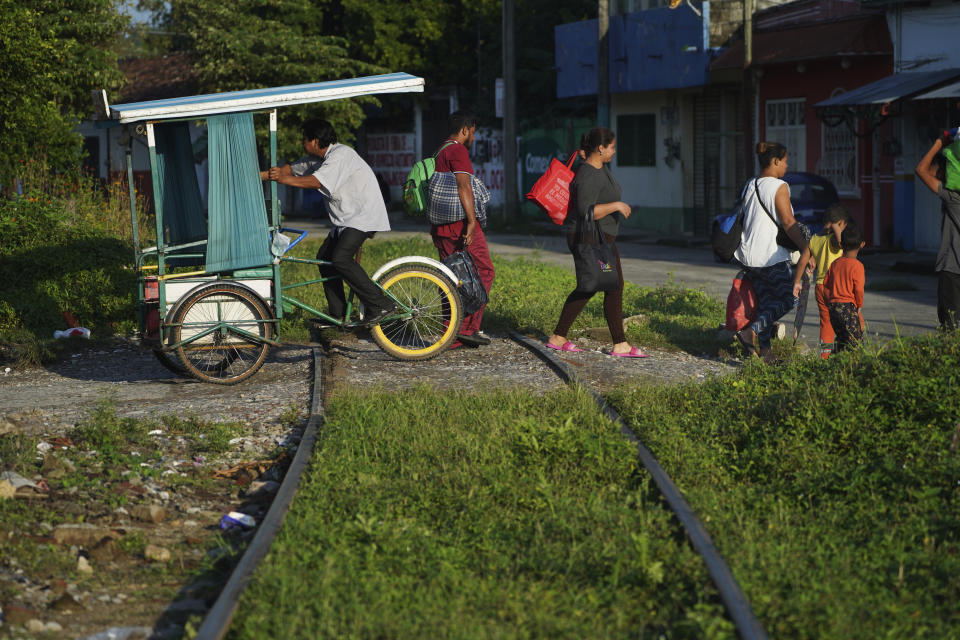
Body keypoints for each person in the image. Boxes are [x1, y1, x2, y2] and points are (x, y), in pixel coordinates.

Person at [265, 118, 396, 326]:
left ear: (315, 141)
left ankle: (381, 305)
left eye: (304, 140)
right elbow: (293, 169)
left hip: (362, 216)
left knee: (340, 258)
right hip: (347, 220)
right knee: (324, 260)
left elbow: (316, 181)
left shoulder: (340, 155)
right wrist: (262, 175)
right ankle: (338, 314)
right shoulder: (321, 159)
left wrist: (283, 180)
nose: (302, 144)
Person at [546, 127, 647, 357]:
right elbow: (585, 211)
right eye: (611, 147)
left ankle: (561, 336)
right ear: (600, 148)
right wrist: (616, 206)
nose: (613, 151)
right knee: (604, 285)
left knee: (601, 285)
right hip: (590, 238)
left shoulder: (598, 168)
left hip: (600, 239)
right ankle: (617, 344)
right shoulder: (588, 174)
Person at [734, 141, 809, 363]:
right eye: (785, 162)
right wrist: (807, 247)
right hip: (768, 257)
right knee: (789, 298)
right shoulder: (779, 186)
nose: (786, 166)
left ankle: (766, 354)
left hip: (747, 256)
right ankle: (751, 331)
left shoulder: (751, 184)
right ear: (775, 161)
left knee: (767, 302)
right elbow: (788, 222)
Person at [426, 110, 495, 348]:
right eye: (472, 133)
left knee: (452, 277)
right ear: (465, 130)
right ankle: (466, 328)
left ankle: (451, 332)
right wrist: (472, 222)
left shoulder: (441, 150)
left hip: (440, 226)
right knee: (483, 272)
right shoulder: (457, 150)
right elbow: (463, 186)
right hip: (458, 225)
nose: (473, 138)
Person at [914, 126, 960, 331]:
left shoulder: (952, 198)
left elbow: (921, 170)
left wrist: (940, 142)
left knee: (950, 331)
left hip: (953, 269)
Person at [792, 203, 851, 358]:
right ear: (839, 223)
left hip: (820, 287)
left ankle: (825, 354)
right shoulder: (833, 239)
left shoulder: (815, 239)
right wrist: (837, 228)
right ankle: (850, 349)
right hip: (835, 287)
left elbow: (803, 260)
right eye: (843, 226)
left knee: (826, 321)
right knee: (847, 317)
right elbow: (841, 244)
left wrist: (797, 281)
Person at [823, 223, 866, 352]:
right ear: (862, 244)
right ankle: (853, 368)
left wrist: (829, 304)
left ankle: (832, 364)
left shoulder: (835, 264)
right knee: (855, 342)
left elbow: (826, 287)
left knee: (842, 339)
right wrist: (859, 305)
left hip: (833, 307)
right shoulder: (857, 266)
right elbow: (858, 289)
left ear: (841, 245)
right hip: (848, 307)